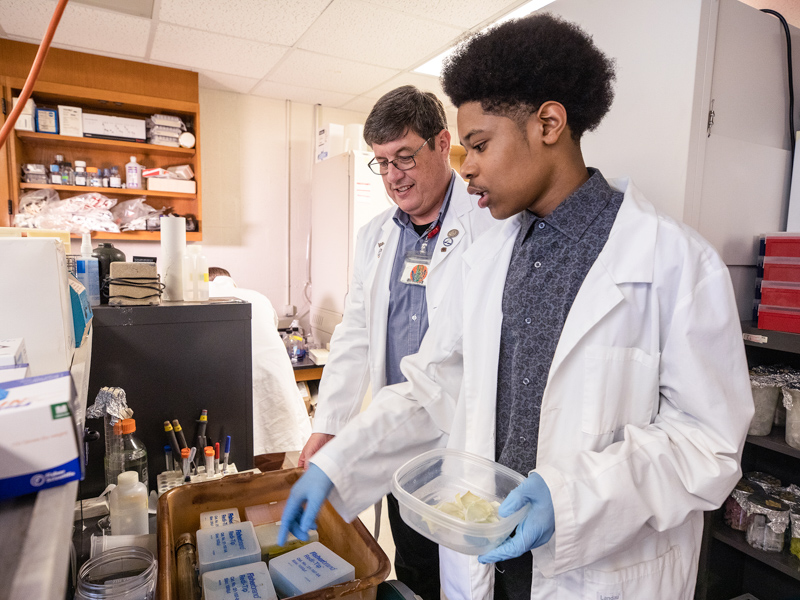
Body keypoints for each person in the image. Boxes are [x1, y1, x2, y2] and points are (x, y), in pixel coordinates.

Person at [279, 13, 754, 600]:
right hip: (486, 565)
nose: (467, 165)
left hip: (599, 573)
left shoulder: (675, 263)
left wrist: (572, 497)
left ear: (548, 123)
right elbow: (435, 386)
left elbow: (707, 442)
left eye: (479, 144)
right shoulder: (488, 256)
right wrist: (339, 461)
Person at [297, 85, 497, 599]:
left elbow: (451, 357)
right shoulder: (376, 234)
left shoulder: (487, 224)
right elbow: (356, 333)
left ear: (441, 143)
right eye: (381, 163)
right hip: (399, 441)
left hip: (460, 437)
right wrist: (330, 425)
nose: (392, 176)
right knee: (410, 566)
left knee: (462, 573)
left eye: (404, 157)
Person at [208, 267, 311, 471]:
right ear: (231, 281)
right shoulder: (257, 296)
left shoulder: (198, 298)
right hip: (271, 375)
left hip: (226, 378)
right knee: (271, 446)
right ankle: (266, 495)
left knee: (226, 458)